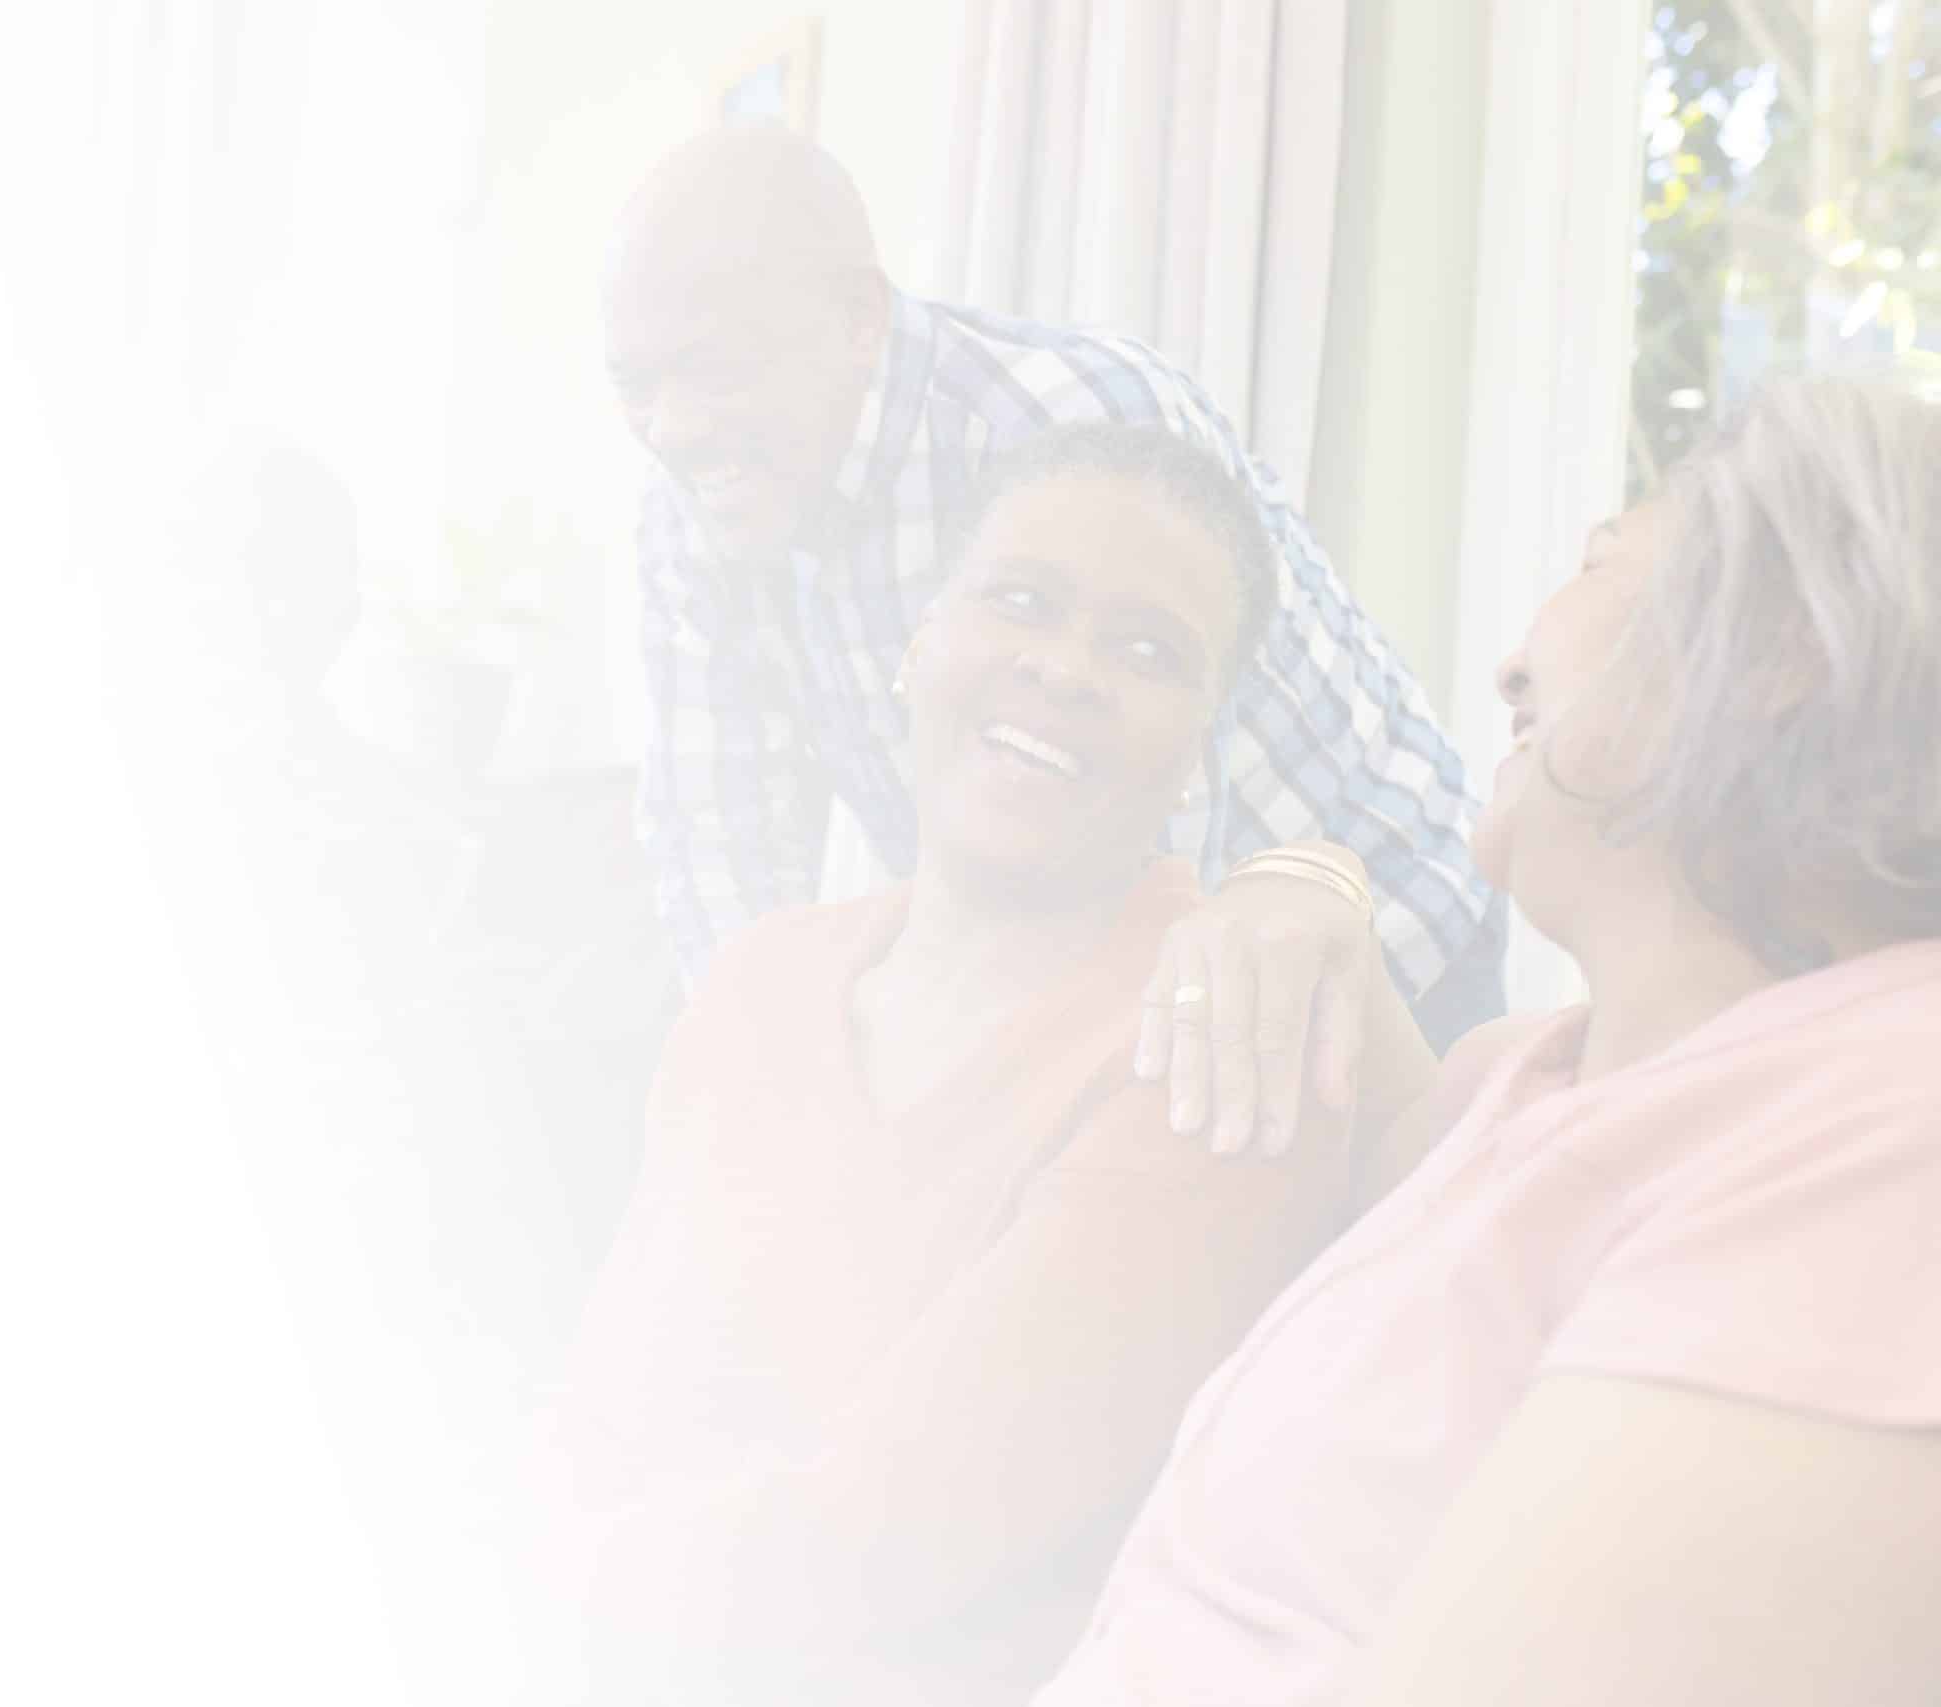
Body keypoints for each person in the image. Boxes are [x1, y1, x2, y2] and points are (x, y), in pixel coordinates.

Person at [1036, 368, 1941, 1706]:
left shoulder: (1883, 1133)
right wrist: (1308, 875)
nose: (1515, 658)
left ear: (1781, 648)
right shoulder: (1523, 1079)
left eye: (1599, 565)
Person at [535, 425, 1428, 1705]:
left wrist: (530, 1590)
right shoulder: (760, 981)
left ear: (1197, 750)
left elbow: (895, 1535)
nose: (1062, 670)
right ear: (919, 644)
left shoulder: (1220, 1030)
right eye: (1021, 602)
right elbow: (605, 1399)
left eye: (1145, 651)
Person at [607, 122, 1506, 1129]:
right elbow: (718, 829)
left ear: (858, 317)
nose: (671, 426)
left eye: (714, 368)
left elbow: (1149, 821)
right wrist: (768, 1086)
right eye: (636, 385)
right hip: (1123, 965)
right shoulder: (697, 492)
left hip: (1383, 936)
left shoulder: (1067, 421)